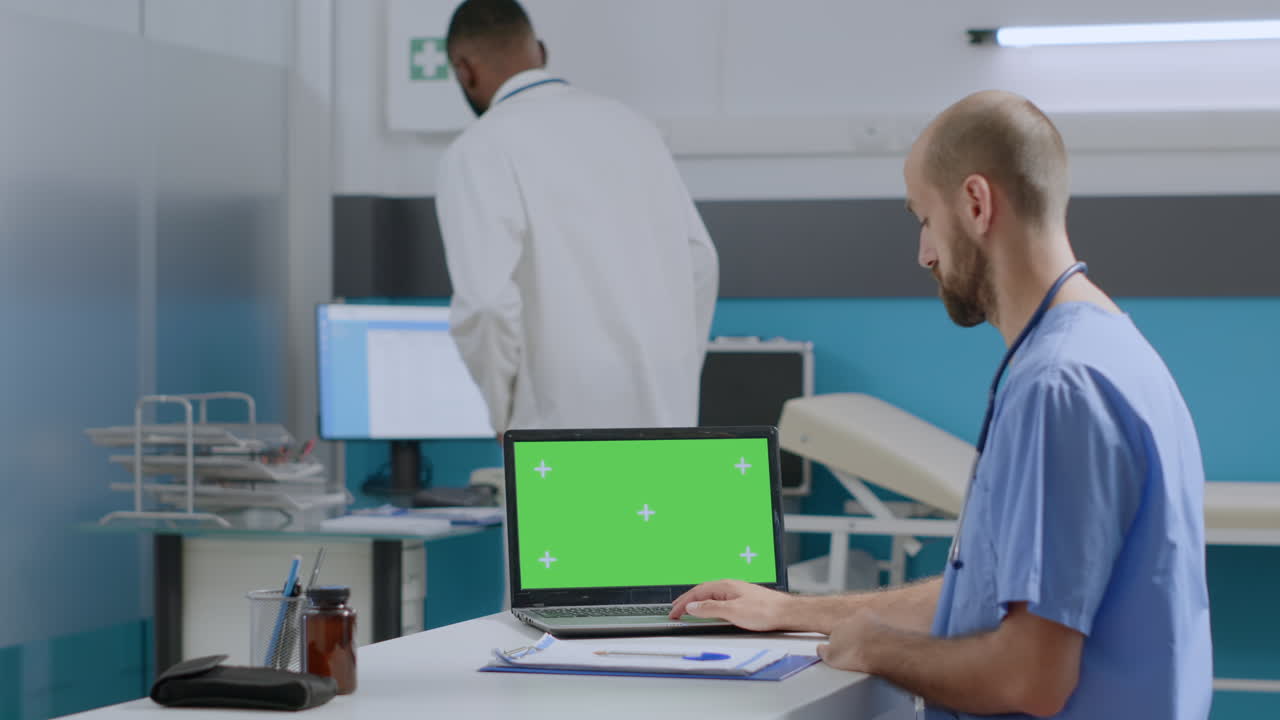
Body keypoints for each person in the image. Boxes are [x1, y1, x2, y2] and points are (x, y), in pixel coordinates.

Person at [670, 90, 1211, 719]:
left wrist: (878, 650)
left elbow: (1029, 678)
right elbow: (985, 593)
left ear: (976, 204)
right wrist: (793, 611)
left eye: (924, 219)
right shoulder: (1112, 349)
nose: (923, 253)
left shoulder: (1057, 387)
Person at [435, 0, 719, 435]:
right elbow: (700, 264)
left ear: (464, 70)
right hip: (667, 422)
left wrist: (504, 414)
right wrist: (673, 385)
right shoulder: (635, 128)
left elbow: (487, 304)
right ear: (541, 52)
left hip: (560, 435)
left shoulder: (479, 149)